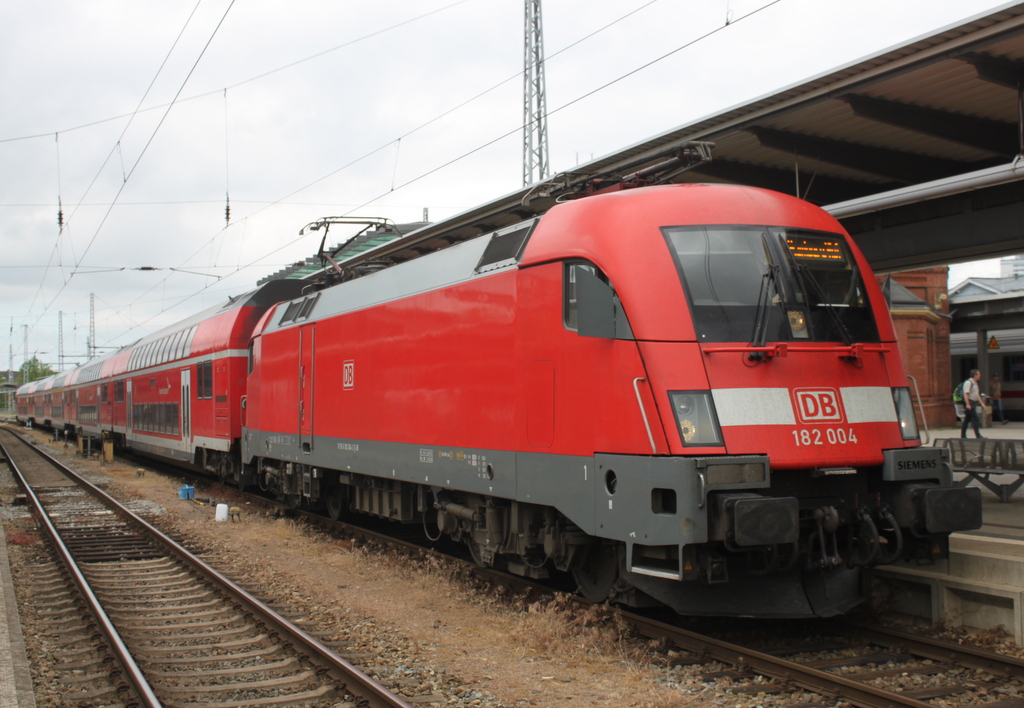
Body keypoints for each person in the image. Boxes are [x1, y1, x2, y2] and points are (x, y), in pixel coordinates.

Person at [961, 369, 985, 439]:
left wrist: (982, 404)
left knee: (967, 420)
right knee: (976, 418)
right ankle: (978, 435)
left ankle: (963, 435)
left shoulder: (975, 383)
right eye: (978, 374)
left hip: (973, 402)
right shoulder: (968, 382)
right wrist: (968, 404)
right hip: (970, 402)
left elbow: (977, 395)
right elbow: (966, 394)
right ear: (975, 375)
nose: (980, 376)